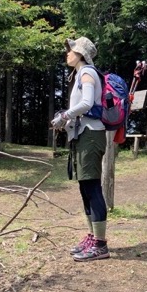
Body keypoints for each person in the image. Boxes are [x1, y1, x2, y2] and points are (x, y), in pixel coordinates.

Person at [51, 36, 110, 262]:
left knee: (92, 187)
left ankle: (101, 245)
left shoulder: (87, 73)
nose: (68, 53)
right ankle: (93, 237)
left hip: (91, 136)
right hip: (82, 134)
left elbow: (86, 104)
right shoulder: (79, 74)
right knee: (85, 187)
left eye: (71, 50)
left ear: (81, 54)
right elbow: (82, 108)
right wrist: (65, 122)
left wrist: (65, 115)